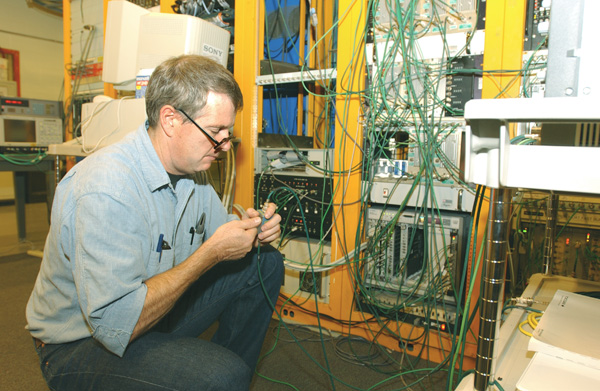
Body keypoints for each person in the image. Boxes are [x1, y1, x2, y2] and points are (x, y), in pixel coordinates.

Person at [26, 54, 284, 391]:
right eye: (216, 131)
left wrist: (251, 232)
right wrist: (211, 253)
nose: (223, 145)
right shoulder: (106, 187)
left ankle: (203, 377)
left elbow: (221, 240)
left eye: (228, 133)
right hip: (82, 343)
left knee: (263, 264)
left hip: (153, 313)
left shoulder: (196, 173)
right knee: (221, 375)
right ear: (170, 119)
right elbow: (117, 325)